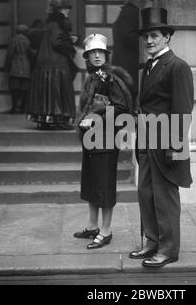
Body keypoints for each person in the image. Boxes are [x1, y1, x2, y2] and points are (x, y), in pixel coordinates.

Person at [129, 7, 194, 268]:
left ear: (167, 37)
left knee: (165, 197)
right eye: (146, 36)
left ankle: (168, 249)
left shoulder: (177, 66)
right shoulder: (148, 66)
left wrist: (174, 147)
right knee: (146, 193)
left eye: (155, 35)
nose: (149, 41)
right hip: (145, 141)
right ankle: (152, 242)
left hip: (165, 143)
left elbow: (183, 110)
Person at [74, 34, 134, 249]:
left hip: (107, 139)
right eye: (93, 53)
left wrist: (96, 116)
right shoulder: (93, 76)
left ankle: (106, 230)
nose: (97, 56)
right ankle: (92, 226)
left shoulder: (111, 78)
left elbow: (122, 107)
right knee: (91, 182)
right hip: (92, 139)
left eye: (101, 52)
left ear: (106, 55)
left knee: (105, 185)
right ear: (87, 57)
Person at [26, 0, 77, 130]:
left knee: (48, 93)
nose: (67, 11)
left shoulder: (51, 24)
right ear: (58, 10)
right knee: (57, 92)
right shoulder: (57, 24)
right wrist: (70, 45)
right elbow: (57, 42)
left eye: (68, 8)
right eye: (64, 9)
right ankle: (57, 120)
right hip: (56, 64)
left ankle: (47, 120)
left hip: (47, 63)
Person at [112, 0, 140, 108]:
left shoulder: (126, 11)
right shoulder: (132, 11)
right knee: (126, 95)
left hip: (122, 61)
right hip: (128, 63)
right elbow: (128, 36)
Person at [4, 24, 31, 114]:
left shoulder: (13, 40)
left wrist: (6, 66)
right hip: (26, 66)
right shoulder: (28, 41)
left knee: (14, 88)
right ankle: (22, 107)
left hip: (15, 66)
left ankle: (15, 107)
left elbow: (9, 55)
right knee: (24, 88)